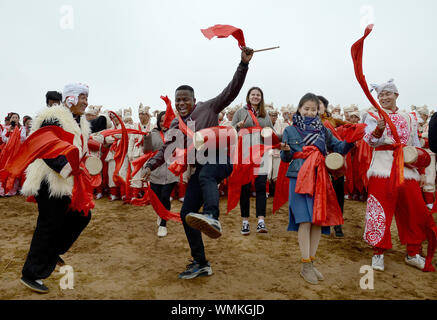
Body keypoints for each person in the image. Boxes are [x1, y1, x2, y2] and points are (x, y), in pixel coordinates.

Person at [143, 46, 254, 279]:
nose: (181, 103)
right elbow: (165, 150)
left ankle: (213, 216)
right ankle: (201, 262)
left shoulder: (208, 107)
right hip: (200, 169)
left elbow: (231, 90)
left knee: (206, 176)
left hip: (219, 160)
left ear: (194, 100)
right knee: (186, 213)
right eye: (178, 100)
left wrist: (243, 64)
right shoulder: (175, 126)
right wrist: (149, 166)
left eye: (185, 99)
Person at [20, 83, 94, 293]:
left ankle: (53, 251)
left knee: (82, 215)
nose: (86, 102)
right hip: (50, 180)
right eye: (82, 97)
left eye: (87, 98)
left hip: (68, 181)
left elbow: (79, 150)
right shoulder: (53, 117)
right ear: (70, 98)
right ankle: (31, 274)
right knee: (48, 226)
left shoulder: (80, 123)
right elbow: (45, 146)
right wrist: (65, 167)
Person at [280, 93, 355, 285]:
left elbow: (338, 147)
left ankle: (311, 263)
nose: (310, 112)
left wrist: (353, 138)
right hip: (298, 178)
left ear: (318, 111)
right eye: (306, 108)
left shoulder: (323, 130)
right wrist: (286, 151)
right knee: (305, 221)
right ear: (299, 109)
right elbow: (285, 158)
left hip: (319, 177)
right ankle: (306, 265)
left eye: (313, 109)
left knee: (317, 222)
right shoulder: (290, 130)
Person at [363, 79, 430, 272]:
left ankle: (413, 252)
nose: (384, 98)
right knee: (379, 211)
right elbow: (370, 142)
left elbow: (416, 145)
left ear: (396, 95)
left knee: (413, 210)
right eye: (381, 95)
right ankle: (378, 253)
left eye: (388, 94)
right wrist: (379, 128)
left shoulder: (410, 117)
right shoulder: (372, 115)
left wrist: (422, 171)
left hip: (407, 169)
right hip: (381, 168)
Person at [232, 87, 275, 235]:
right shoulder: (240, 112)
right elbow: (231, 132)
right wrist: (237, 127)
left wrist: (267, 134)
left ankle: (261, 221)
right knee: (244, 188)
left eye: (258, 95)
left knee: (261, 186)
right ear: (248, 96)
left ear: (261, 98)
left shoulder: (265, 114)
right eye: (253, 94)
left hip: (260, 154)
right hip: (243, 154)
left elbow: (271, 132)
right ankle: (245, 221)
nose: (255, 97)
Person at [144, 111, 180, 237]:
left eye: (167, 120)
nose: (164, 123)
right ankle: (160, 214)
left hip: (171, 171)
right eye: (161, 121)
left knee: (165, 197)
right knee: (157, 198)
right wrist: (146, 138)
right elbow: (147, 150)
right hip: (156, 171)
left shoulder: (176, 134)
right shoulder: (153, 134)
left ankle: (163, 225)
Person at [318, 96, 349, 237]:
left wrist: (352, 138)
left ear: (325, 107)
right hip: (318, 162)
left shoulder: (333, 121)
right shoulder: (306, 123)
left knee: (338, 193)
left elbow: (349, 126)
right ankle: (321, 221)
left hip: (335, 160)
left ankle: (338, 224)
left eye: (320, 105)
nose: (317, 107)